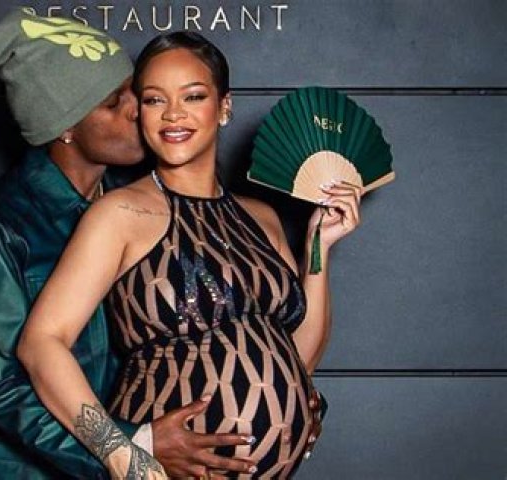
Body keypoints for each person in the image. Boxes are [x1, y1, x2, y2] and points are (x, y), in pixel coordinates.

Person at [19, 31, 359, 478]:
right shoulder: (120, 214)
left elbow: (300, 359)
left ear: (224, 106)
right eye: (154, 100)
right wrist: (123, 454)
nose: (173, 114)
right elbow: (41, 342)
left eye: (193, 96)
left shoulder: (263, 218)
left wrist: (319, 247)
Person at [0, 11, 258, 480]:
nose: (138, 110)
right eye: (113, 103)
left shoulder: (140, 203)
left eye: (135, 92)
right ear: (65, 126)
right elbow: (3, 389)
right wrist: (131, 446)